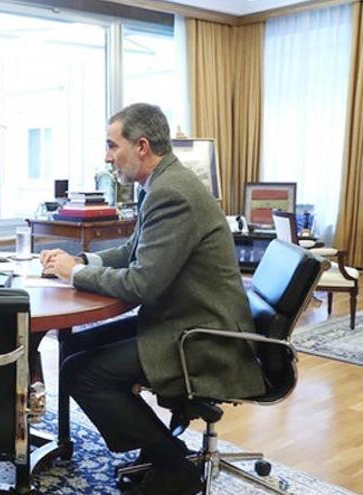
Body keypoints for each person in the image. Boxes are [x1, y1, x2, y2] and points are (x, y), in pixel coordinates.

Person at [40, 103, 265, 495]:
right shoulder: (162, 184)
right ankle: (158, 449)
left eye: (112, 146)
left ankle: (172, 465)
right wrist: (82, 259)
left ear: (141, 146)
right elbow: (133, 250)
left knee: (82, 374)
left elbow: (142, 284)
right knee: (75, 344)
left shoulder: (171, 193)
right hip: (184, 318)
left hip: (204, 335)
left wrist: (73, 273)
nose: (107, 157)